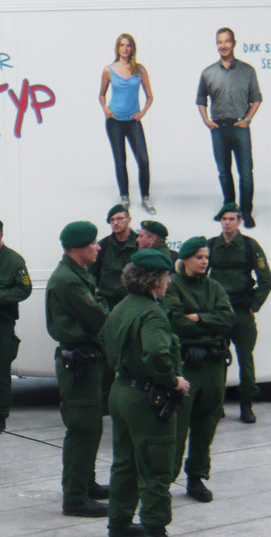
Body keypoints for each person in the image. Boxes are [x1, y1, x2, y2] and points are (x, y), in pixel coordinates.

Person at [102, 249, 190, 537]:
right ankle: (155, 527)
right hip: (145, 398)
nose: (168, 283)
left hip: (121, 391)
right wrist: (172, 380)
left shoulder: (124, 305)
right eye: (165, 277)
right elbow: (155, 353)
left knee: (125, 463)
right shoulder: (152, 312)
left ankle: (119, 523)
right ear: (155, 280)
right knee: (156, 467)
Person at [45, 221, 110, 517]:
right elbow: (98, 317)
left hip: (86, 360)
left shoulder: (77, 274)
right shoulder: (68, 280)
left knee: (91, 426)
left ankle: (85, 482)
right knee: (82, 428)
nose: (97, 248)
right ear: (77, 249)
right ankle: (75, 497)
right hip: (79, 363)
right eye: (93, 244)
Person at [165, 236, 235, 504]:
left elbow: (227, 318)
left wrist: (199, 317)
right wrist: (205, 325)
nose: (204, 261)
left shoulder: (215, 287)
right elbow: (176, 323)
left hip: (214, 364)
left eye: (206, 257)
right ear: (185, 259)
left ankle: (196, 476)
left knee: (207, 422)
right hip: (188, 365)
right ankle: (167, 478)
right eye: (199, 257)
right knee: (179, 424)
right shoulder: (173, 287)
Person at [207, 203, 271, 423]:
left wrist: (255, 305)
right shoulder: (211, 245)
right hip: (217, 312)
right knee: (216, 359)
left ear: (239, 221)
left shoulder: (249, 245)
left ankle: (246, 404)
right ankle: (217, 404)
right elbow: (198, 275)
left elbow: (265, 279)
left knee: (246, 360)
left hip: (242, 311)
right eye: (224, 219)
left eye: (231, 219)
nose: (227, 223)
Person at [197, 27, 262, 228]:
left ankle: (245, 212)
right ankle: (229, 208)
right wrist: (206, 120)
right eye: (219, 42)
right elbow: (200, 99)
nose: (223, 46)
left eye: (226, 41)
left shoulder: (247, 70)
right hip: (219, 129)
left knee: (246, 172)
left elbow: (257, 99)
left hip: (239, 127)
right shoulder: (208, 73)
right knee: (224, 171)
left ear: (233, 43)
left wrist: (247, 120)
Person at [0, 217, 32, 436]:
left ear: (0, 236)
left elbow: (24, 290)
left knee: (0, 372)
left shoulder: (13, 261)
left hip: (2, 323)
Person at [99, 33, 155, 213]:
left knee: (143, 161)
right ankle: (125, 197)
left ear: (132, 48)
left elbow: (150, 96)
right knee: (120, 160)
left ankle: (145, 198)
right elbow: (101, 94)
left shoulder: (140, 69)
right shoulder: (109, 70)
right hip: (114, 122)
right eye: (122, 45)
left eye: (128, 45)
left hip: (132, 122)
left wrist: (142, 112)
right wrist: (106, 109)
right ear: (117, 48)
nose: (125, 48)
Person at [90, 205, 139, 412]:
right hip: (109, 309)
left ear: (129, 219)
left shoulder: (139, 244)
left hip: (133, 308)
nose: (116, 223)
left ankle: (135, 397)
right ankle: (105, 401)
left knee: (135, 352)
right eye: (112, 220)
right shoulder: (103, 246)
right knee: (107, 355)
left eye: (120, 219)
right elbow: (92, 277)